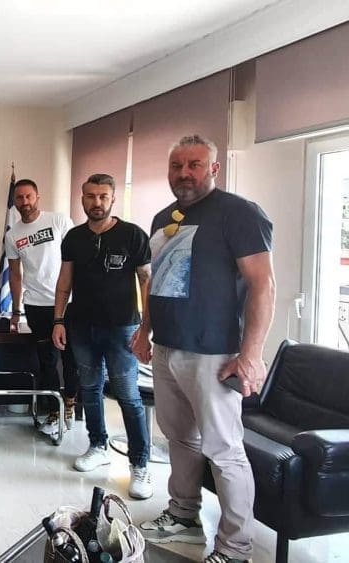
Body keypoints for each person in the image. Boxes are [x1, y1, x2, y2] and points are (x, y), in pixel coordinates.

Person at [132, 135, 274, 563]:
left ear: (214, 168)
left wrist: (251, 354)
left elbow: (263, 284)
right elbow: (157, 281)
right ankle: (183, 515)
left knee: (224, 452)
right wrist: (144, 330)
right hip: (167, 347)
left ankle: (235, 548)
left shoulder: (239, 213)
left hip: (214, 353)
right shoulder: (163, 218)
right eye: (176, 166)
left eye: (194, 165)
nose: (184, 174)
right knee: (179, 439)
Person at [51, 174, 153, 500]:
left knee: (128, 395)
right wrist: (58, 320)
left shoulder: (133, 235)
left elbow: (146, 282)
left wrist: (146, 328)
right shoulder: (74, 237)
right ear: (82, 199)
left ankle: (140, 464)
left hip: (122, 328)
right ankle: (98, 445)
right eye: (90, 196)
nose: (96, 202)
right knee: (90, 389)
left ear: (112, 199)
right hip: (82, 327)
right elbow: (64, 282)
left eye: (103, 196)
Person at [4, 178, 78, 437]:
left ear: (37, 197)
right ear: (15, 202)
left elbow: (76, 259)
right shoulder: (13, 235)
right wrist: (15, 311)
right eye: (19, 197)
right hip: (36, 305)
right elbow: (15, 275)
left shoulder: (59, 221)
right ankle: (54, 412)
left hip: (68, 303)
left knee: (71, 360)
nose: (24, 202)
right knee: (47, 361)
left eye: (28, 196)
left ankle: (70, 405)